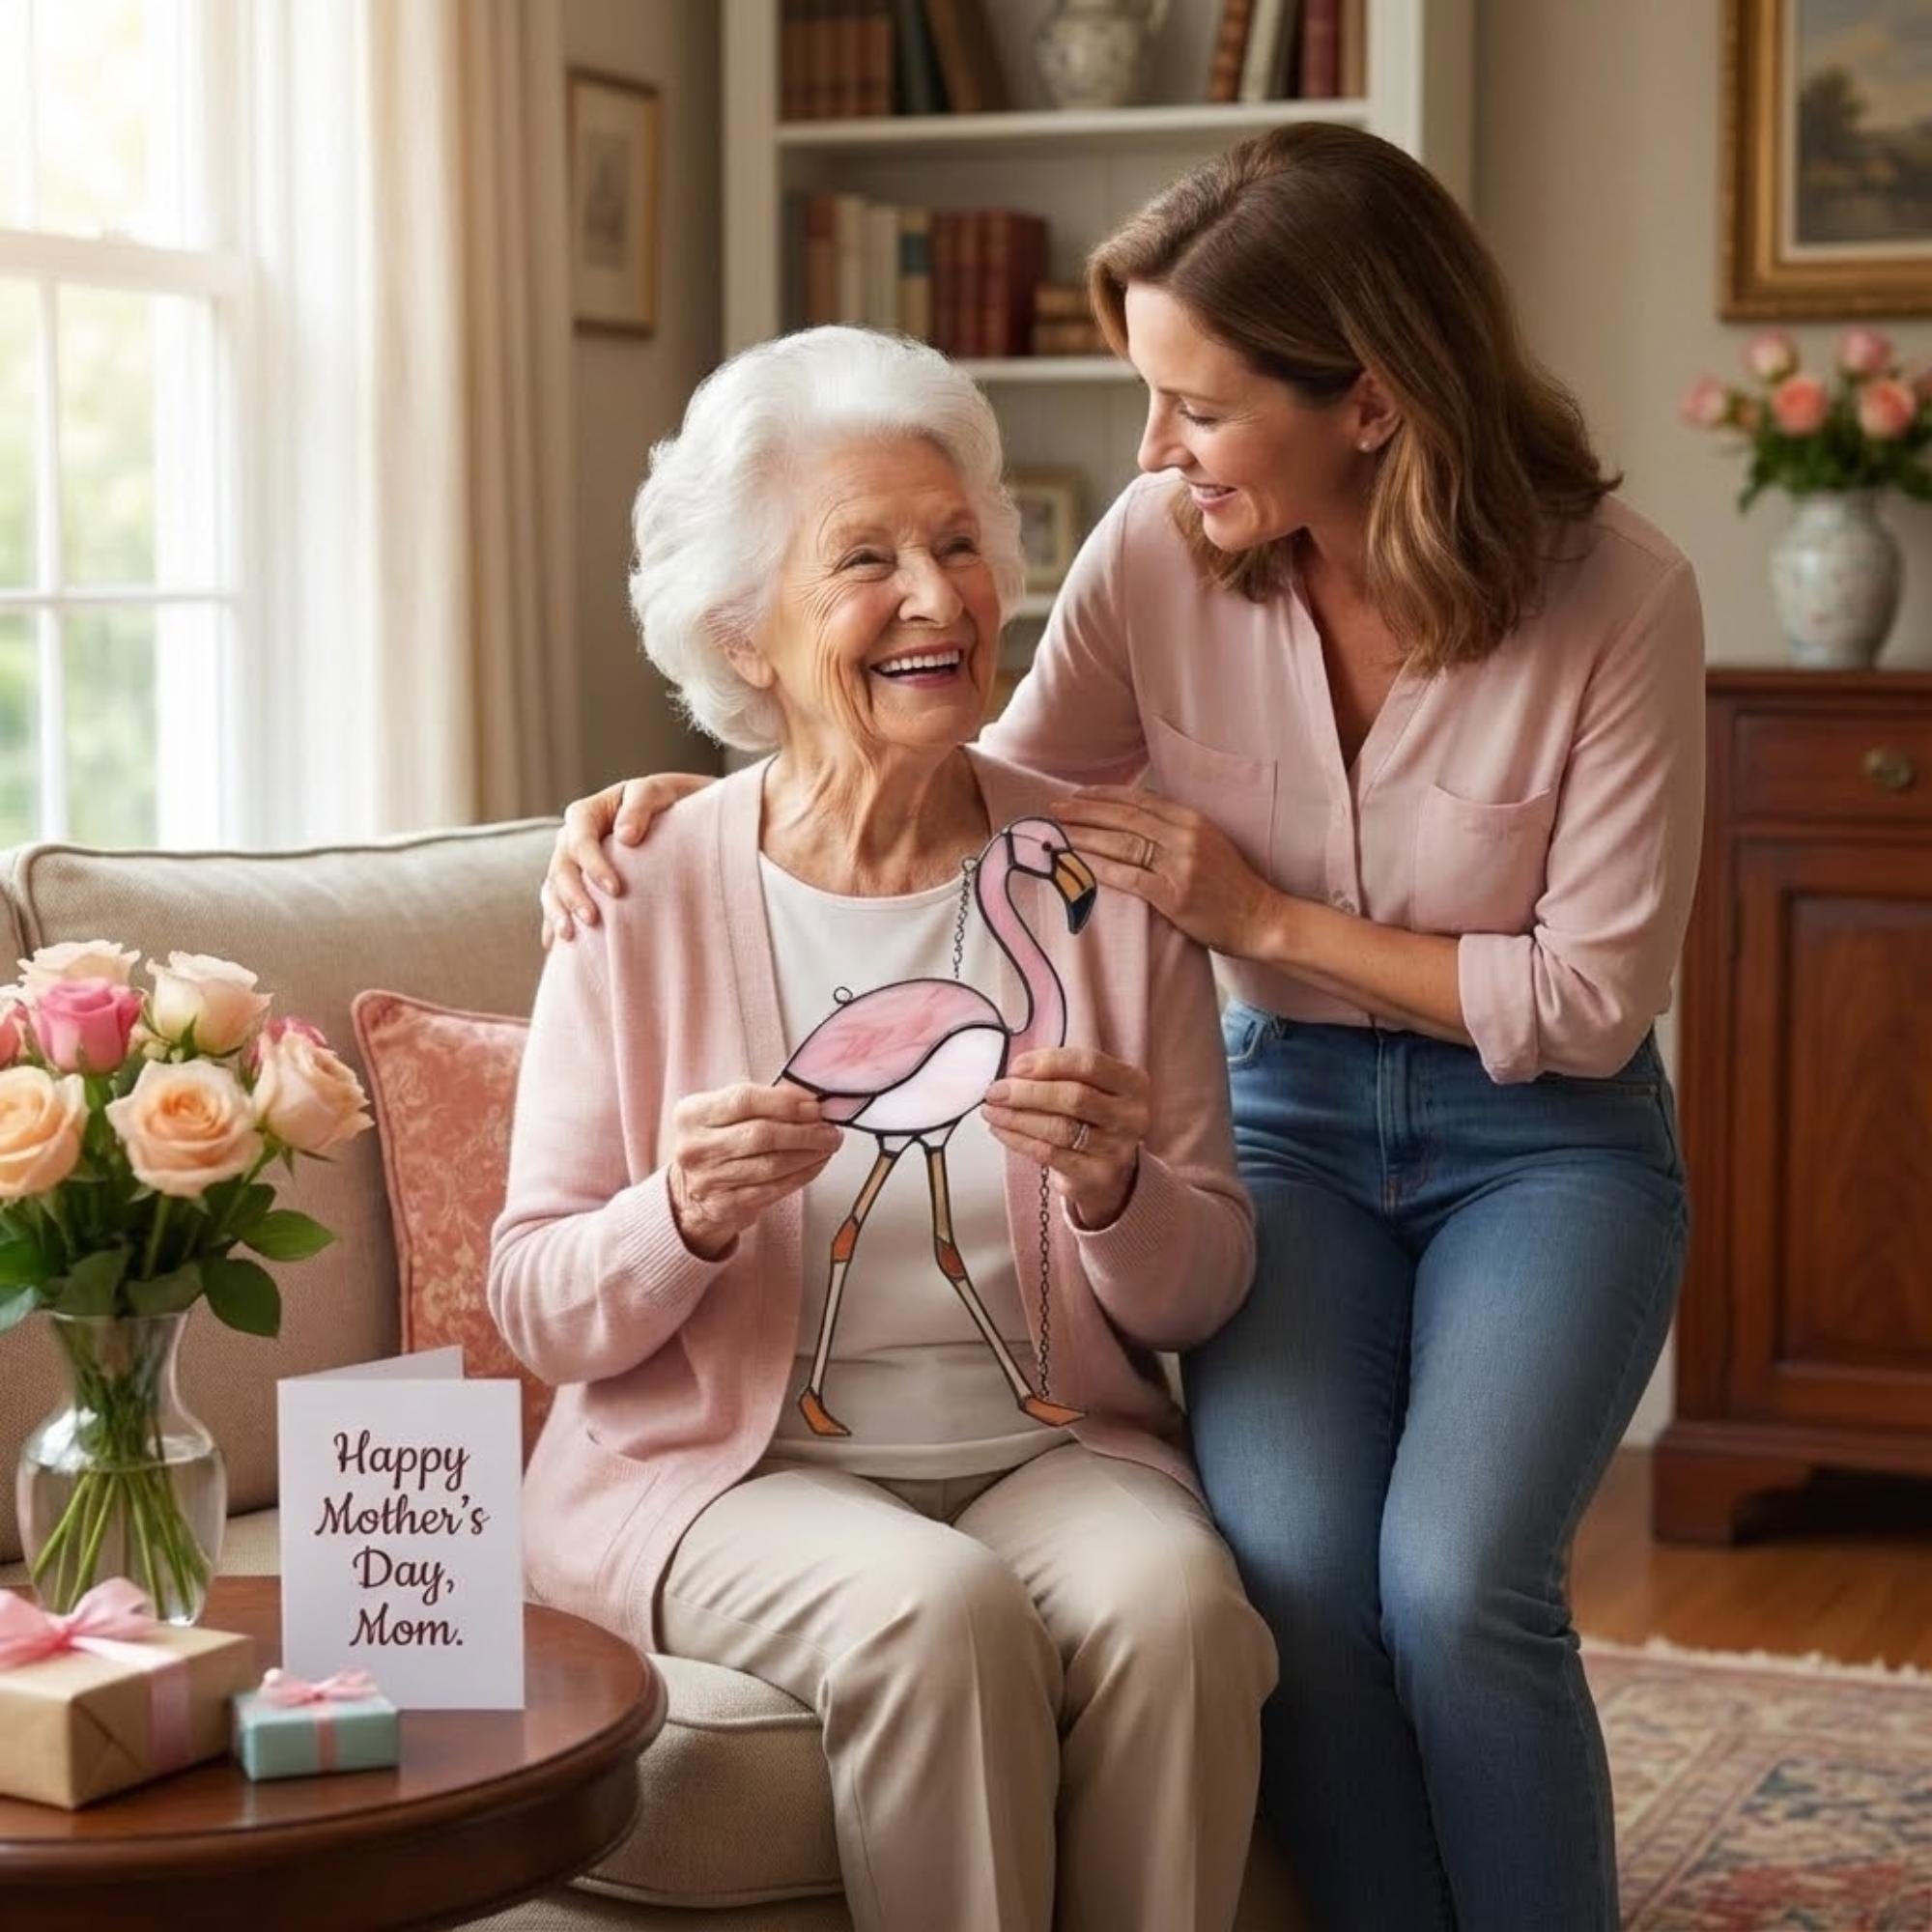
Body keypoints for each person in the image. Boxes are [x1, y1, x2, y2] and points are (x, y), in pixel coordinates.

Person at [540, 123, 1706, 1932]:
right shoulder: (1167, 552)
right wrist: (703, 794)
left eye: (1198, 405)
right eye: (1145, 398)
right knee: (1299, 1572)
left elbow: (1580, 996)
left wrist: (1254, 926)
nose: (1153, 453)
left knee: (1459, 1578)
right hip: (1296, 1112)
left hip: (1537, 1133)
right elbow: (973, 767)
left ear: (1374, 402)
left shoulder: (1618, 593)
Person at [489, 325, 1277, 1932]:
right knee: (937, 1613)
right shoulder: (636, 888)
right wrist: (680, 1216)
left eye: (959, 544)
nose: (938, 596)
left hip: (1053, 1445)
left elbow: (1202, 1292)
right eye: (866, 560)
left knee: (1179, 1605)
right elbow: (536, 1297)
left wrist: (1123, 1186)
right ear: (749, 638)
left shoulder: (1099, 886)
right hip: (724, 1476)